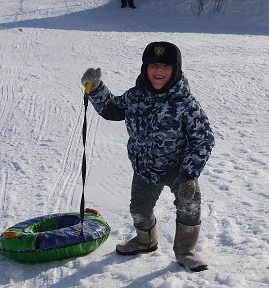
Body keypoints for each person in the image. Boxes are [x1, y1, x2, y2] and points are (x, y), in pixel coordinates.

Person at [81, 41, 215, 272]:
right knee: (139, 211)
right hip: (144, 167)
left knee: (190, 202)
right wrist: (95, 88)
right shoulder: (136, 96)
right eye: (154, 65)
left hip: (178, 168)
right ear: (146, 68)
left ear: (175, 70)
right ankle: (146, 240)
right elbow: (112, 109)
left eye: (165, 66)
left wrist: (189, 174)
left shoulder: (185, 103)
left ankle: (185, 251)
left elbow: (203, 139)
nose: (159, 71)